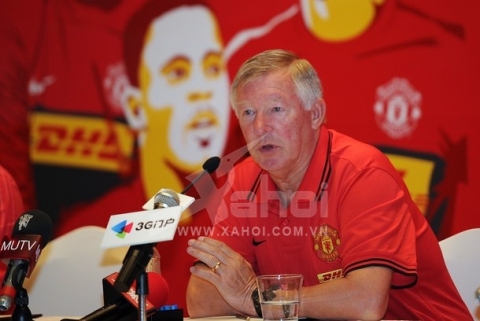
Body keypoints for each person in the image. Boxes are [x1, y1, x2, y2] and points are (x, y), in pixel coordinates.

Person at [185, 49, 472, 320]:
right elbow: (201, 301)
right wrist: (255, 298)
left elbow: (366, 302)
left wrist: (258, 299)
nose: (260, 127)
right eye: (248, 113)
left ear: (315, 114)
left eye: (275, 109)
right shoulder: (244, 180)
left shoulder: (363, 173)